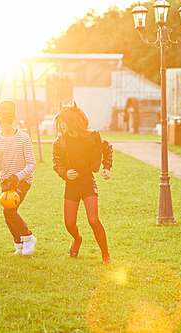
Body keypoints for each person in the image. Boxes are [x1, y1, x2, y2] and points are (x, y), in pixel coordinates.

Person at [52, 101, 113, 265]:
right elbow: (57, 164)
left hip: (87, 183)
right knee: (69, 223)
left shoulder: (91, 136)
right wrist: (65, 173)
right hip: (71, 186)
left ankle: (106, 256)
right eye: (60, 123)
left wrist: (106, 168)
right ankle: (77, 239)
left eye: (63, 122)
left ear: (72, 121)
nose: (61, 125)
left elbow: (107, 148)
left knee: (93, 220)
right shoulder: (60, 142)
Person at [0, 100, 37, 256]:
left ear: (14, 118)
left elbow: (32, 164)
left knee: (9, 212)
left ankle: (28, 237)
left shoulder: (24, 138)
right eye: (1, 119)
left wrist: (17, 177)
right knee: (8, 214)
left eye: (8, 118)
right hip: (5, 182)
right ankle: (18, 243)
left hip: (22, 181)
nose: (4, 122)